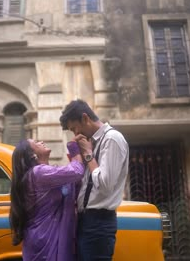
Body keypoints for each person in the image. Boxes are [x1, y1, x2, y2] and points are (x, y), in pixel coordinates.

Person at [59, 99, 129, 261]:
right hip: (86, 221)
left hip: (99, 222)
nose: (75, 134)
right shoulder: (92, 143)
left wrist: (89, 155)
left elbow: (105, 185)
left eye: (74, 128)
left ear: (85, 118)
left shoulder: (112, 139)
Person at [9, 138, 85, 261]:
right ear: (32, 155)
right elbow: (76, 172)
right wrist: (74, 149)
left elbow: (72, 182)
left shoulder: (43, 173)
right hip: (45, 239)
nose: (41, 142)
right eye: (36, 143)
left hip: (41, 237)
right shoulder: (39, 173)